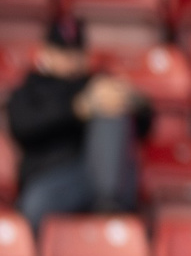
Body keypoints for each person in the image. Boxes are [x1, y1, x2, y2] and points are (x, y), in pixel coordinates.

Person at [7, 16, 149, 230]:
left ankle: (110, 212)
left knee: (111, 106)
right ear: (46, 52)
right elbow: (22, 126)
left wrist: (130, 99)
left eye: (76, 52)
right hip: (49, 177)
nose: (70, 59)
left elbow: (146, 123)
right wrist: (78, 109)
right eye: (63, 52)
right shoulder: (29, 89)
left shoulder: (97, 83)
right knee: (35, 204)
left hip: (98, 175)